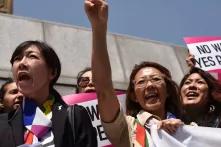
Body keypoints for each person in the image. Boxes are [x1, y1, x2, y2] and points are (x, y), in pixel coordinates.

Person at [85, 0, 183, 146]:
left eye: (156, 79)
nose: (149, 85)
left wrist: (182, 132)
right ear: (133, 96)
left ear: (168, 90)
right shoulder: (128, 127)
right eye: (141, 82)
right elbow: (104, 90)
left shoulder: (191, 128)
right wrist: (99, 27)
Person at [0, 40, 97, 147]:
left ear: (52, 72)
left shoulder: (75, 116)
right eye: (17, 59)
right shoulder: (2, 123)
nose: (22, 63)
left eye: (32, 56)